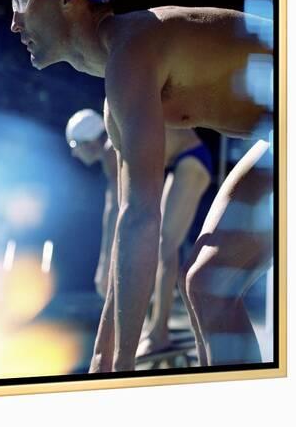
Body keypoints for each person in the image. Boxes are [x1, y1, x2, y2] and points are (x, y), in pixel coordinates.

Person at [10, 0, 274, 372]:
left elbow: (140, 218)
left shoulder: (133, 50)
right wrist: (105, 353)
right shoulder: (117, 86)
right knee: (209, 285)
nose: (15, 23)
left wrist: (118, 366)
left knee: (206, 281)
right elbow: (127, 224)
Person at [65, 109, 212, 355]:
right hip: (180, 161)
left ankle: (159, 333)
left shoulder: (112, 149)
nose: (73, 152)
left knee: (166, 245)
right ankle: (154, 328)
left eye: (75, 145)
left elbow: (115, 208)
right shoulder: (112, 145)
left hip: (192, 158)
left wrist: (105, 264)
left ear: (89, 142)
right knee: (158, 244)